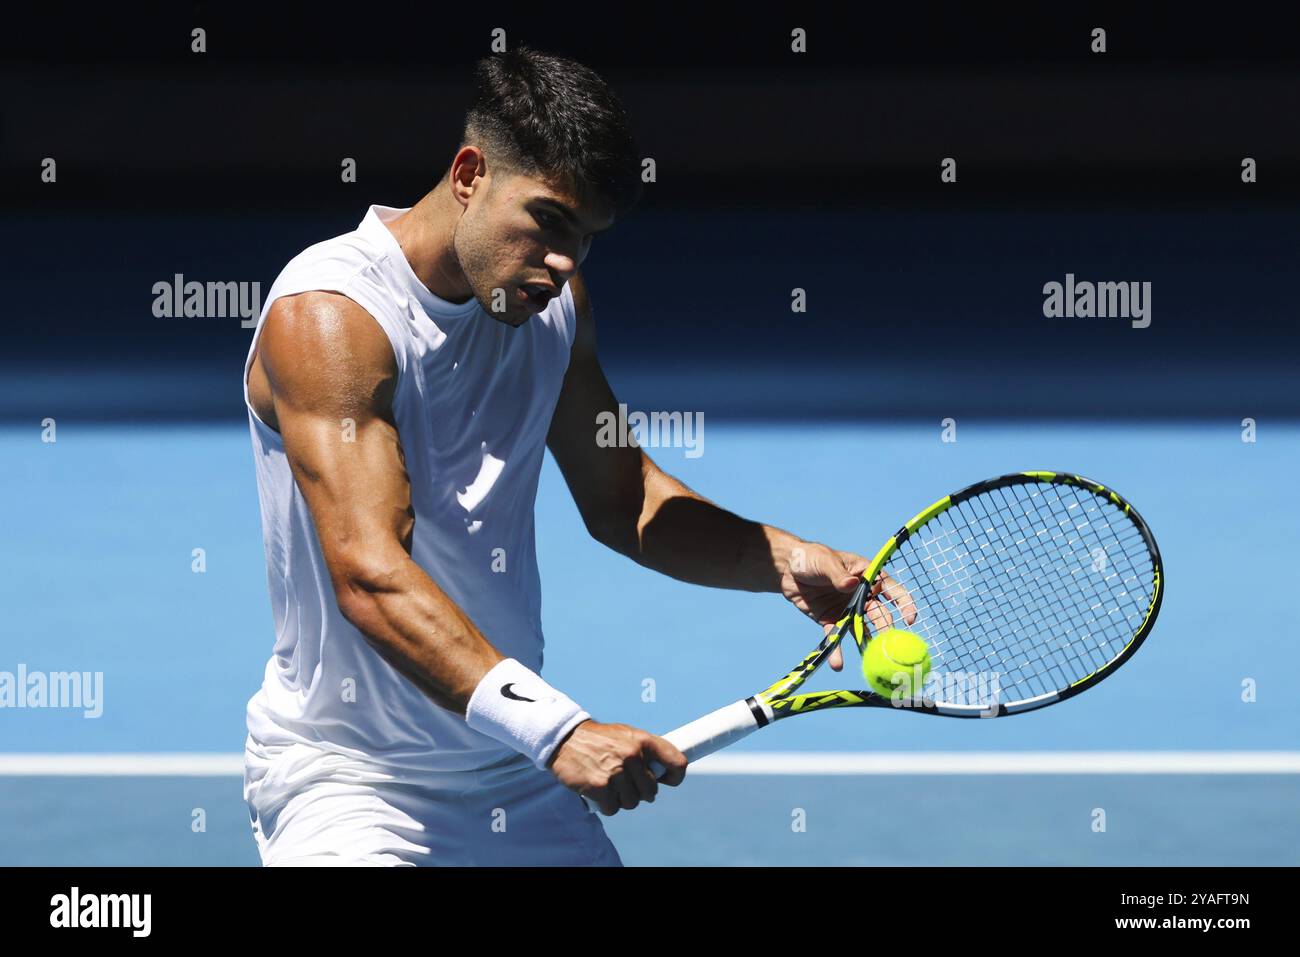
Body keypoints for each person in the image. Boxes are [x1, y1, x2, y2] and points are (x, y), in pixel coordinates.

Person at [241, 46, 896, 866]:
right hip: (353, 786)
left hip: (512, 773)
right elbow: (369, 572)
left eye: (585, 239)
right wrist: (558, 730)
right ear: (470, 173)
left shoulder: (556, 309)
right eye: (549, 220)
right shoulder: (334, 318)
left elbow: (626, 499)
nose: (563, 263)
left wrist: (784, 557)